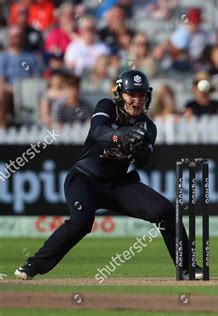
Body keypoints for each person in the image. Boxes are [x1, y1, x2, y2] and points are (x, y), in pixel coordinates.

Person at [14, 69, 202, 281]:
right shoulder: (106, 107)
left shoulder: (148, 126)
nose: (136, 101)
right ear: (120, 95)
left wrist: (137, 149)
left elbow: (143, 162)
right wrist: (121, 135)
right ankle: (33, 265)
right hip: (85, 179)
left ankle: (187, 268)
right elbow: (97, 131)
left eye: (141, 95)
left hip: (118, 185)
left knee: (166, 210)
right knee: (82, 223)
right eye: (131, 94)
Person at [0, 25, 43, 128]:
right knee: (1, 92)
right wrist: (15, 89)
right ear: (9, 38)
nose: (15, 38)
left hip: (29, 89)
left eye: (18, 35)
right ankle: (2, 127)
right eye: (13, 36)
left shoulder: (32, 57)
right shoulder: (3, 57)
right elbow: (1, 81)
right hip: (10, 89)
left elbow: (37, 78)